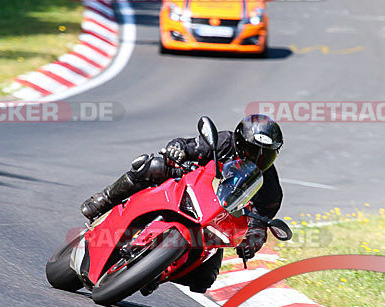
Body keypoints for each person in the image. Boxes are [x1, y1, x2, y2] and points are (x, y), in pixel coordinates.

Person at [80, 114, 284, 293]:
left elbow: (260, 222)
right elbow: (186, 145)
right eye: (251, 150)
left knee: (204, 279)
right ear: (239, 141)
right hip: (187, 186)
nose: (256, 158)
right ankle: (104, 199)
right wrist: (176, 150)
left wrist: (253, 240)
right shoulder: (223, 142)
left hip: (213, 220)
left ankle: (154, 273)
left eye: (265, 155)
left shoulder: (271, 190)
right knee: (152, 166)